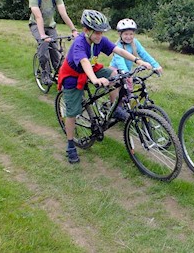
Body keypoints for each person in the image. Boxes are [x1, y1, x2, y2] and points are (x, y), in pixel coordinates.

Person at [57, 10, 152, 164]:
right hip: (73, 76)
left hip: (92, 69)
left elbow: (118, 50)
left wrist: (138, 61)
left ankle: (115, 109)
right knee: (72, 112)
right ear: (86, 31)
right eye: (97, 33)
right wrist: (95, 79)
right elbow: (84, 62)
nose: (100, 36)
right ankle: (70, 145)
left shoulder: (100, 40)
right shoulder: (79, 44)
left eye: (102, 32)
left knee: (115, 75)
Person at [28, 0, 79, 85]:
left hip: (50, 26)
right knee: (44, 47)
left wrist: (73, 30)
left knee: (55, 50)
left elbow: (63, 14)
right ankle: (45, 73)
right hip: (36, 25)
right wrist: (42, 35)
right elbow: (38, 17)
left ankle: (59, 72)